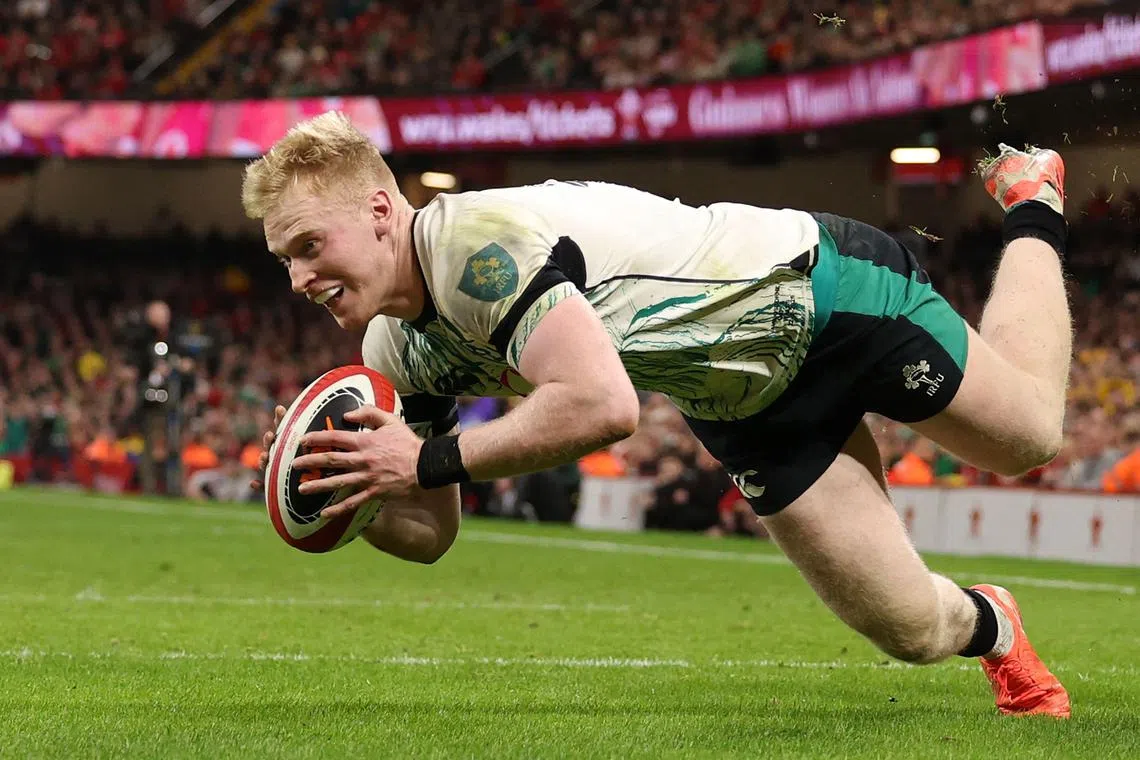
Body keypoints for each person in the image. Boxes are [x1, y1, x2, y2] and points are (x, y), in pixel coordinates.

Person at [242, 112, 1072, 718]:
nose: (298, 279)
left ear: (382, 212)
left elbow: (603, 408)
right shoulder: (394, 351)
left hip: (823, 294)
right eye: (285, 258)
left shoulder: (476, 248)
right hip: (743, 402)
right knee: (912, 631)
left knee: (1027, 438)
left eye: (310, 246)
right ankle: (998, 625)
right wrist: (352, 489)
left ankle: (1033, 205)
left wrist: (419, 462)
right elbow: (433, 534)